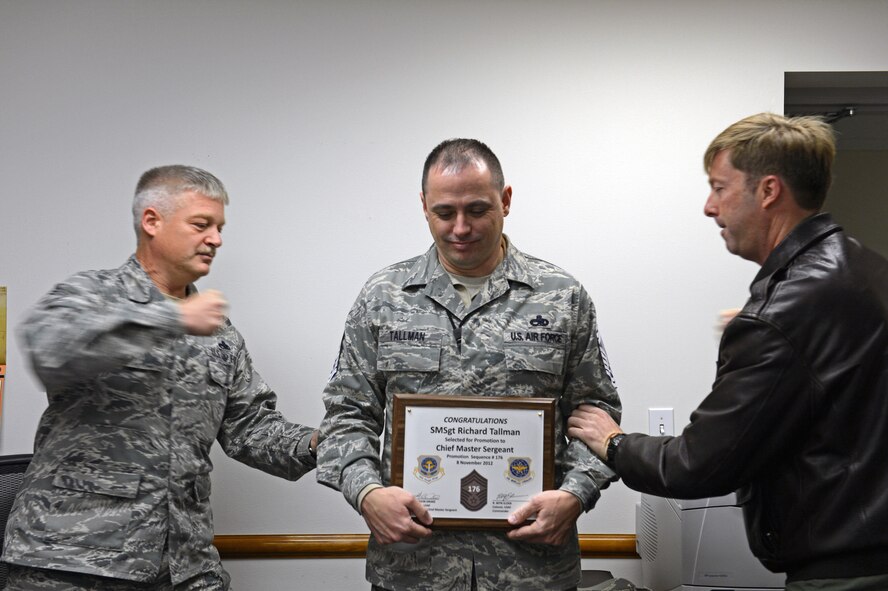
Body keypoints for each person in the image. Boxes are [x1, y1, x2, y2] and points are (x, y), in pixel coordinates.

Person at [567, 113, 888, 589]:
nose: (709, 207)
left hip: (845, 573)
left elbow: (699, 464)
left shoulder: (787, 311)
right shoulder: (863, 270)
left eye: (719, 188)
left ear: (769, 191)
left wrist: (614, 442)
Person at [317, 139, 621, 591]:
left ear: (506, 200)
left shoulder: (561, 296)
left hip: (532, 569)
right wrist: (367, 494)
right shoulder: (383, 296)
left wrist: (576, 495)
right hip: (414, 568)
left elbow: (598, 414)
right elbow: (346, 414)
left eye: (477, 210)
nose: (461, 228)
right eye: (444, 212)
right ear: (423, 206)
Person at [2, 165, 318, 590]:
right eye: (201, 224)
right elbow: (51, 351)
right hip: (73, 562)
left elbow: (250, 429)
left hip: (184, 566)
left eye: (220, 228)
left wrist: (320, 443)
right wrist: (168, 317)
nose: (216, 239)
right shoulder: (91, 295)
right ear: (152, 221)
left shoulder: (219, 335)